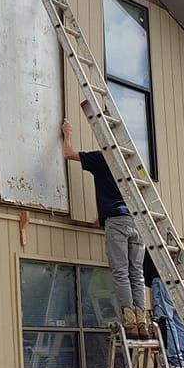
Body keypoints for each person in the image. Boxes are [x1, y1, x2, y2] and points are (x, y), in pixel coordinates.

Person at [61, 118, 148, 338]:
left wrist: (67, 133)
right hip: (137, 221)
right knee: (136, 274)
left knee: (121, 273)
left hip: (117, 221)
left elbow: (68, 153)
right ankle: (142, 322)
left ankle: (129, 321)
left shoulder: (101, 159)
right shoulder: (131, 162)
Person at [142, 255, 184, 368]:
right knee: (179, 323)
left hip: (161, 280)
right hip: (175, 283)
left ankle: (175, 361)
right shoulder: (163, 246)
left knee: (166, 321)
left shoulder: (147, 243)